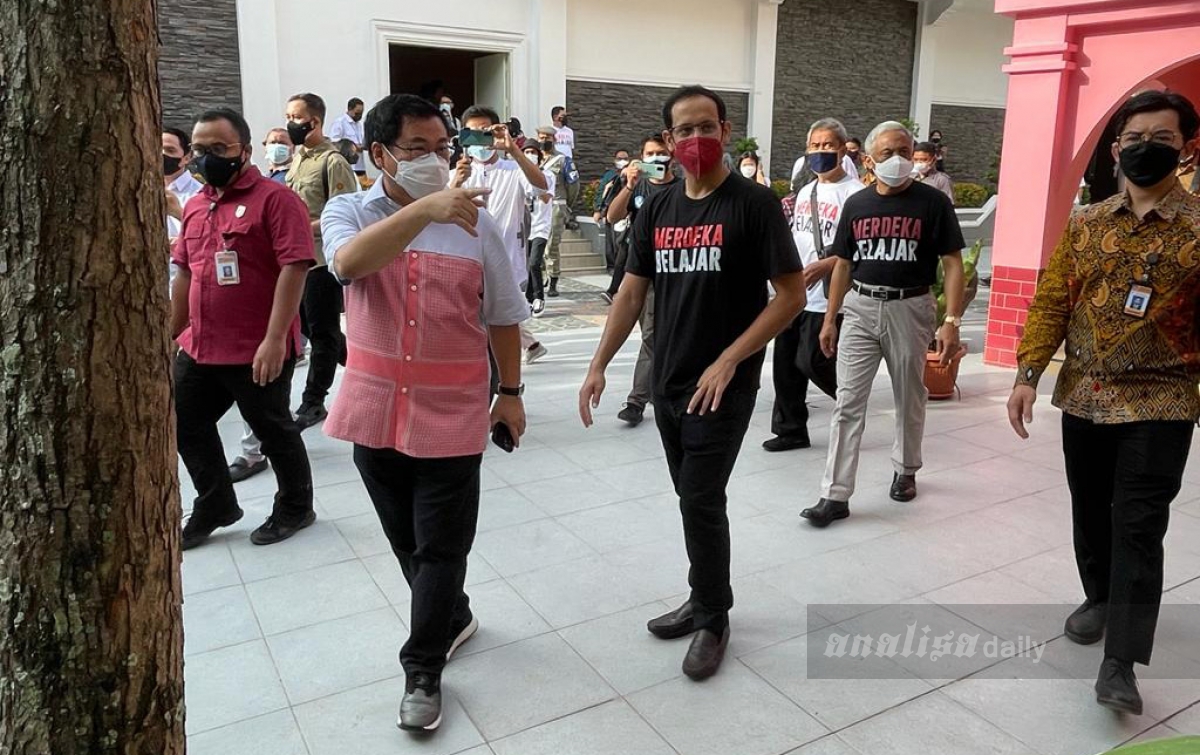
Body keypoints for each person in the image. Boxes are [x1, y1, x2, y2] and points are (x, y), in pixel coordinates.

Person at [579, 86, 806, 680]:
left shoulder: (756, 204)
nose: (695, 138)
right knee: (691, 499)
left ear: (725, 130)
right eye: (684, 129)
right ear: (670, 140)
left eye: (706, 126)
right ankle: (702, 595)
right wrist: (600, 363)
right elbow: (632, 290)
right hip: (671, 382)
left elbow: (790, 295)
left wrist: (731, 358)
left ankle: (713, 617)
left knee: (702, 500)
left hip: (722, 385)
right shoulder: (657, 206)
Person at [321, 93, 528, 733]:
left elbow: (502, 316)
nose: (436, 160)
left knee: (441, 548)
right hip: (374, 412)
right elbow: (347, 264)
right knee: (405, 541)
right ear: (379, 153)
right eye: (418, 149)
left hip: (454, 414)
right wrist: (424, 213)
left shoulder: (476, 224)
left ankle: (422, 669)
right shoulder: (347, 209)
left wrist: (512, 395)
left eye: (442, 148)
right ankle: (452, 614)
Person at [1007, 90, 1200, 717]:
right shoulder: (1087, 223)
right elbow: (1052, 300)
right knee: (1090, 510)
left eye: (1164, 138)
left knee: (1139, 526)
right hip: (1085, 396)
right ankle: (1097, 596)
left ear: (1187, 147)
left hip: (1163, 400)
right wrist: (1028, 372)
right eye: (1137, 137)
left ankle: (1121, 661)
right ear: (1117, 149)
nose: (1149, 147)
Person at [802, 120, 965, 528]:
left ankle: (906, 468)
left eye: (905, 152)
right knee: (847, 404)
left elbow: (952, 263)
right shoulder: (857, 205)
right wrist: (830, 318)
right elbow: (843, 263)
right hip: (860, 305)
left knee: (909, 395)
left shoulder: (932, 203)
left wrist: (951, 320)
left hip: (910, 307)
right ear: (870, 159)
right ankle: (834, 494)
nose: (898, 160)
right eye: (889, 152)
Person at [170, 107, 316, 551]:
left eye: (219, 148)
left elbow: (295, 268)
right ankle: (216, 504)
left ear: (245, 151)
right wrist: (168, 335)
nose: (207, 157)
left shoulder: (276, 200)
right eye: (200, 149)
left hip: (258, 345)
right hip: (200, 345)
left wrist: (276, 340)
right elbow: (185, 275)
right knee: (182, 420)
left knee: (272, 429)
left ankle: (296, 506)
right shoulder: (195, 206)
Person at [764, 118, 864, 452]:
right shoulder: (807, 190)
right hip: (795, 292)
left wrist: (827, 265)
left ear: (842, 149)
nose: (821, 152)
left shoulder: (856, 194)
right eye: (815, 146)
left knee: (815, 360)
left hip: (828, 296)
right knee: (785, 365)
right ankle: (790, 429)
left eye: (828, 145)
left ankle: (852, 405)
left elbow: (859, 249)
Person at [450, 105, 551, 364]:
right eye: (472, 133)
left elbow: (541, 186)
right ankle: (523, 352)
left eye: (485, 132)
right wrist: (456, 183)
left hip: (507, 265)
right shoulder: (456, 174)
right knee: (479, 331)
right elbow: (439, 214)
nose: (480, 140)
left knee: (497, 328)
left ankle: (505, 381)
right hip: (466, 265)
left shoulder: (513, 170)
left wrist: (513, 149)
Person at [285, 92, 359, 429]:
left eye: (296, 116)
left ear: (314, 121)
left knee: (323, 332)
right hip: (296, 258)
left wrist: (301, 227)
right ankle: (364, 367)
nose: (291, 123)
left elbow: (341, 213)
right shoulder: (298, 160)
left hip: (321, 260)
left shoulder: (333, 161)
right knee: (317, 332)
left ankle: (313, 401)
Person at [602, 134, 681, 426]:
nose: (656, 158)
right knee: (653, 335)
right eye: (649, 153)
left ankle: (637, 400)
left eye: (661, 153)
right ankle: (658, 388)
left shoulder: (682, 188)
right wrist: (630, 185)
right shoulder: (639, 186)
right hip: (638, 270)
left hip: (670, 270)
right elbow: (612, 216)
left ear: (671, 154)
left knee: (651, 335)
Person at [522, 143, 556, 316]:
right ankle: (528, 298)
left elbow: (545, 197)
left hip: (541, 226)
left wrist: (533, 179)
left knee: (535, 262)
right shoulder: (518, 175)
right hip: (523, 227)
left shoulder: (548, 175)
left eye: (532, 152)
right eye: (526, 152)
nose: (529, 155)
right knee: (527, 264)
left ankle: (538, 297)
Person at [536, 125, 569, 299]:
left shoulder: (562, 160)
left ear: (554, 139)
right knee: (537, 245)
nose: (544, 141)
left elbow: (574, 185)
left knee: (552, 245)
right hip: (537, 205)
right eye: (541, 137)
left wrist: (566, 206)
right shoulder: (535, 159)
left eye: (547, 138)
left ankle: (554, 279)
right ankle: (542, 277)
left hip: (556, 204)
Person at [594, 149, 633, 271]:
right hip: (611, 212)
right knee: (611, 242)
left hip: (628, 213)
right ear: (614, 160)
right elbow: (602, 193)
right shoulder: (610, 176)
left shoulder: (632, 174)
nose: (622, 161)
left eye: (625, 158)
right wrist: (598, 210)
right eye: (619, 158)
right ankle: (611, 266)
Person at [163, 126, 203, 243]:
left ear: (187, 158)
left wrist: (178, 212)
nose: (162, 154)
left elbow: (209, 234)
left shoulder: (200, 194)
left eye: (170, 150)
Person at [551, 106, 581, 228]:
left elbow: (571, 148)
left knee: (574, 186)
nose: (565, 117)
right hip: (556, 162)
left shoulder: (569, 131)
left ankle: (568, 211)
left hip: (568, 163)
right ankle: (564, 218)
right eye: (562, 115)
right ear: (555, 117)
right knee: (559, 192)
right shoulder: (551, 131)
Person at [328, 97, 366, 175]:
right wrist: (353, 146)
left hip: (360, 166)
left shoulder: (359, 124)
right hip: (346, 166)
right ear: (349, 109)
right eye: (357, 112)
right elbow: (333, 143)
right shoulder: (340, 123)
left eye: (361, 113)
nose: (360, 115)